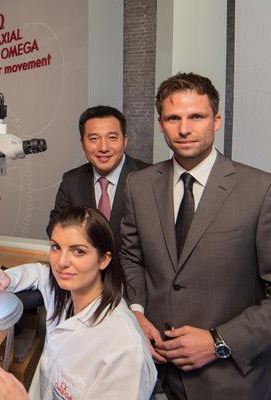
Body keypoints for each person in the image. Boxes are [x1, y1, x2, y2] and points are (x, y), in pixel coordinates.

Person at [120, 72, 271, 399]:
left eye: (196, 117)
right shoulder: (139, 185)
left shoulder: (261, 190)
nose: (184, 129)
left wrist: (219, 341)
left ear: (216, 121)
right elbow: (131, 256)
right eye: (173, 118)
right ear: (161, 125)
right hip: (156, 371)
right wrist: (136, 311)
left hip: (230, 380)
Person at [0, 206, 156, 399]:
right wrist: (8, 279)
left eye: (78, 251)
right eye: (56, 247)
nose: (61, 262)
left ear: (104, 260)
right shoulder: (67, 291)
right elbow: (40, 273)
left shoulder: (125, 350)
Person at [47, 105, 149, 239]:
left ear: (125, 141)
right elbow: (55, 228)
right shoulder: (71, 181)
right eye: (94, 139)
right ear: (82, 144)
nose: (104, 148)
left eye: (112, 138)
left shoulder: (149, 178)